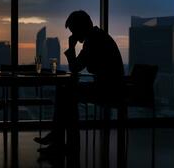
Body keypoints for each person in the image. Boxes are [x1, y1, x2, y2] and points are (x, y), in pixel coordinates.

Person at [34, 10, 125, 155]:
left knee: (66, 94)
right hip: (111, 87)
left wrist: (71, 47)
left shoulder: (93, 40)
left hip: (108, 90)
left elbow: (75, 68)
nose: (73, 35)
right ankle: (60, 140)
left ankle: (60, 140)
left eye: (73, 31)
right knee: (66, 93)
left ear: (81, 27)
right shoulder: (97, 36)